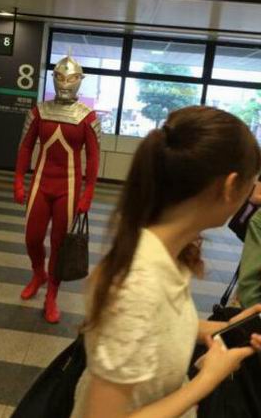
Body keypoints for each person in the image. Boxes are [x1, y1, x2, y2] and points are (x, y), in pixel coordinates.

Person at [70, 106, 261, 418]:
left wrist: (227, 327)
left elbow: (155, 328)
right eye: (252, 184)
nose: (253, 195)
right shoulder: (140, 281)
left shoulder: (168, 254)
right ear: (229, 186)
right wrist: (207, 379)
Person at [14, 56, 100, 324]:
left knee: (60, 244)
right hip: (41, 184)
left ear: (79, 81)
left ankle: (52, 294)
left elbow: (94, 158)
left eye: (70, 78)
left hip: (69, 187)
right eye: (60, 77)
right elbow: (25, 146)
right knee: (32, 238)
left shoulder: (87, 116)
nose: (65, 83)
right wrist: (18, 179)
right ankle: (38, 273)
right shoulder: (39, 111)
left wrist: (88, 193)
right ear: (53, 78)